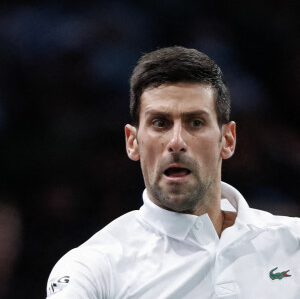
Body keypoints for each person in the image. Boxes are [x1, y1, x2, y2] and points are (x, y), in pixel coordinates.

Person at [46, 46, 300, 298]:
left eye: (196, 122)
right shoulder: (94, 268)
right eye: (160, 123)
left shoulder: (294, 242)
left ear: (228, 139)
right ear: (132, 142)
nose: (176, 141)